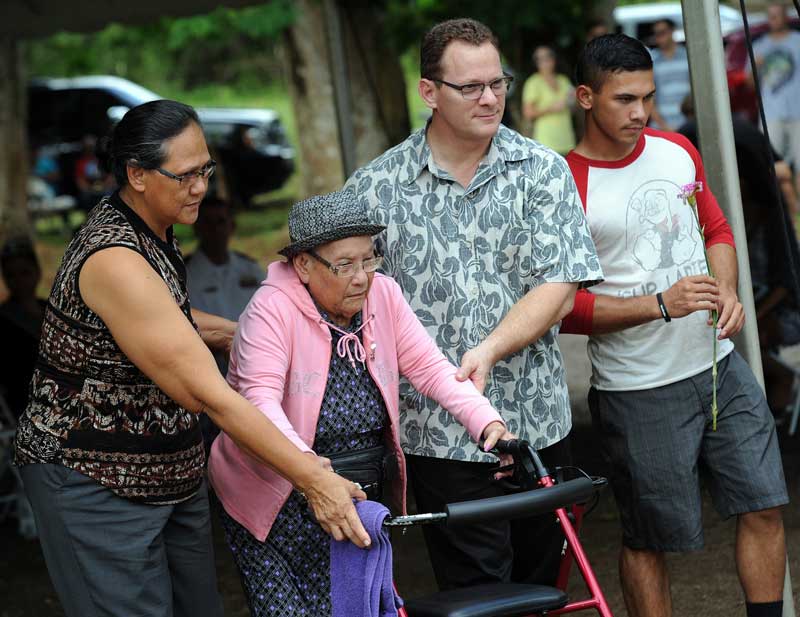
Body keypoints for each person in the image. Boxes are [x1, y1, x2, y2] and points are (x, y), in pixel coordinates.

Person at [13, 99, 371, 617]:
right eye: (184, 176)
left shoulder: (155, 224)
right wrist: (315, 481)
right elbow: (207, 394)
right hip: (93, 478)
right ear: (136, 174)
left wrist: (255, 333)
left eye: (205, 170)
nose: (201, 187)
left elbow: (169, 316)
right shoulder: (113, 257)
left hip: (172, 471)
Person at [345, 18, 603, 591]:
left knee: (544, 587)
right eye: (471, 87)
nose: (491, 98)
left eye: (498, 82)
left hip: (535, 419)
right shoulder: (375, 187)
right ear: (429, 92)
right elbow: (349, 299)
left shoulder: (543, 170)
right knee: (476, 593)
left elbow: (560, 286)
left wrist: (488, 349)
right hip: (438, 432)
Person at [561, 34, 788, 617]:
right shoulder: (564, 183)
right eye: (624, 99)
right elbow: (561, 311)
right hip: (638, 389)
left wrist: (729, 289)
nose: (641, 112)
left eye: (649, 97)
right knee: (649, 538)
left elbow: (715, 229)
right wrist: (660, 304)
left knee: (764, 505)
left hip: (716, 367)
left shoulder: (676, 149)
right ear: (586, 97)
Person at [208, 190, 513, 617]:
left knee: (357, 606)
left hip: (356, 489)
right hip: (272, 491)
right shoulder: (270, 310)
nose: (361, 277)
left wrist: (487, 424)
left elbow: (430, 367)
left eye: (369, 260)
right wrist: (310, 475)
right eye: (345, 264)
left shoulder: (382, 296)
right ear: (304, 265)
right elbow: (259, 401)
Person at [751, 3, 800, 195]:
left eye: (777, 16)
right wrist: (756, 67)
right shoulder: (760, 45)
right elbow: (749, 84)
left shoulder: (797, 40)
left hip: (797, 110)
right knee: (771, 164)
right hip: (771, 113)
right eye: (771, 16)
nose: (774, 20)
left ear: (785, 17)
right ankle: (787, 208)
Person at [0, 239, 46, 420]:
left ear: (37, 272)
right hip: (25, 409)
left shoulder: (50, 309)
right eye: (11, 275)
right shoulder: (4, 320)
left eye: (25, 272)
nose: (19, 281)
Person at [522, 45, 576, 155]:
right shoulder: (533, 82)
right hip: (545, 143)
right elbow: (527, 113)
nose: (545, 61)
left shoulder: (563, 80)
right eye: (540, 59)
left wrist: (575, 99)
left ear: (554, 59)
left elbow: (574, 108)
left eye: (548, 57)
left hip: (567, 141)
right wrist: (551, 109)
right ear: (536, 63)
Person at [648, 19, 690, 132]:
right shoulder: (651, 60)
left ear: (672, 31)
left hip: (687, 125)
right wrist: (663, 126)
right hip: (660, 126)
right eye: (656, 33)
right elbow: (648, 97)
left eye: (662, 32)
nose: (659, 37)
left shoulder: (688, 56)